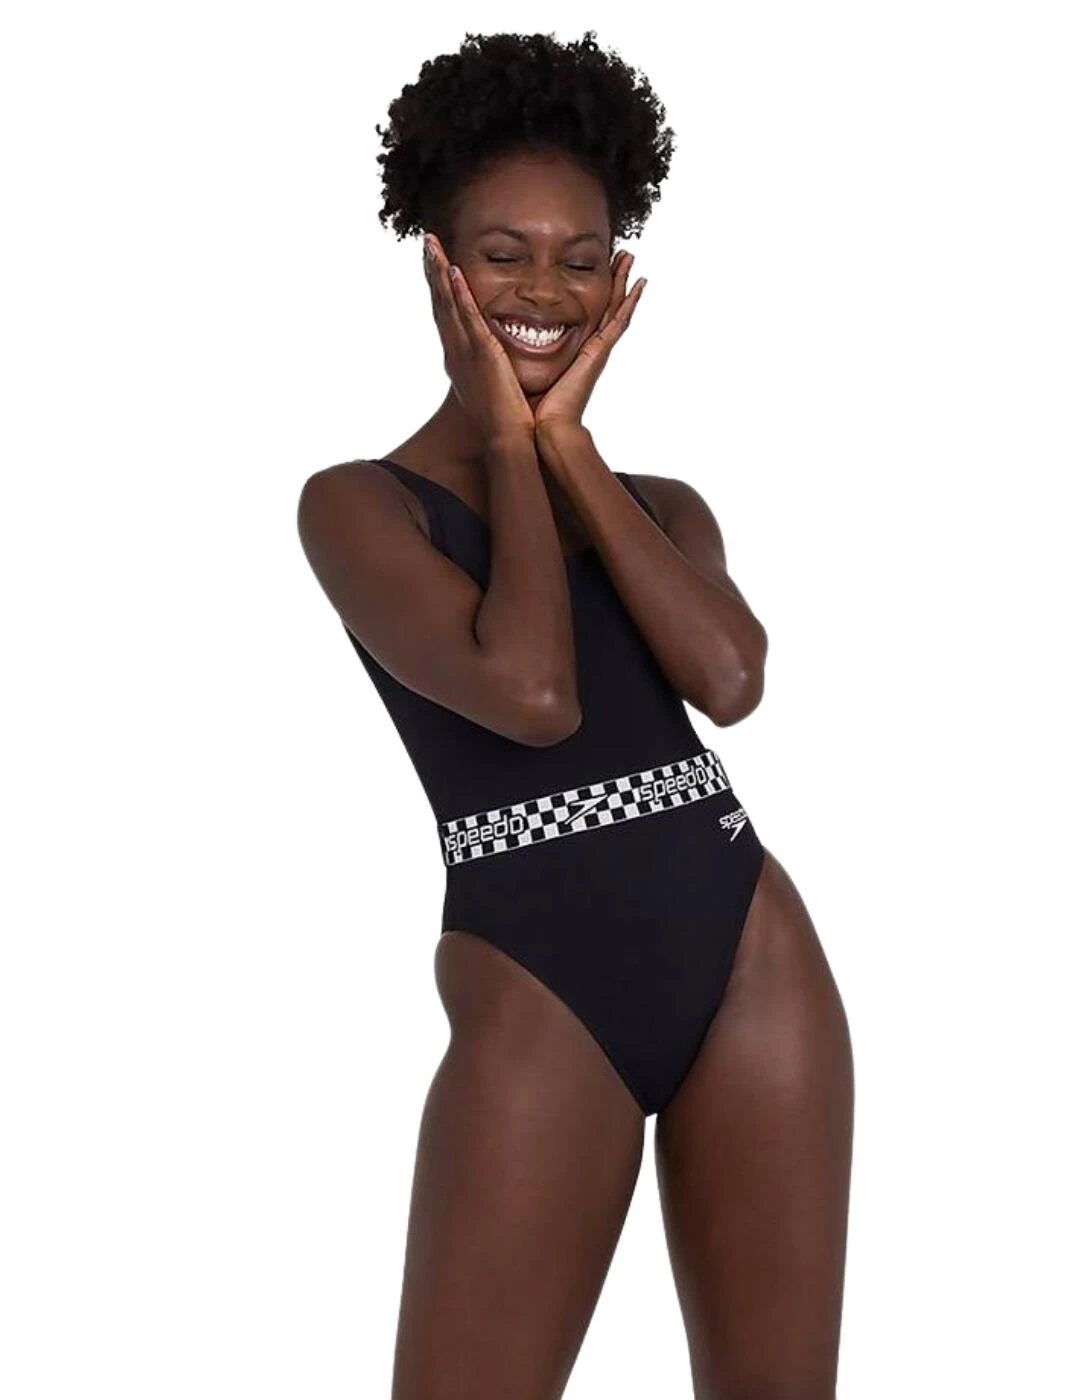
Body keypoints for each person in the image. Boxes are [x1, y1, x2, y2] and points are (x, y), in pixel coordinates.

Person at [297, 29, 854, 1399]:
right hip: (539, 978)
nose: (545, 290)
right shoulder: (359, 507)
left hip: (751, 958)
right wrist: (504, 438)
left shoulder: (662, 508)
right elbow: (533, 696)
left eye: (582, 258)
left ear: (620, 279)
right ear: (438, 262)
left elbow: (732, 682)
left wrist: (567, 449)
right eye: (504, 254)